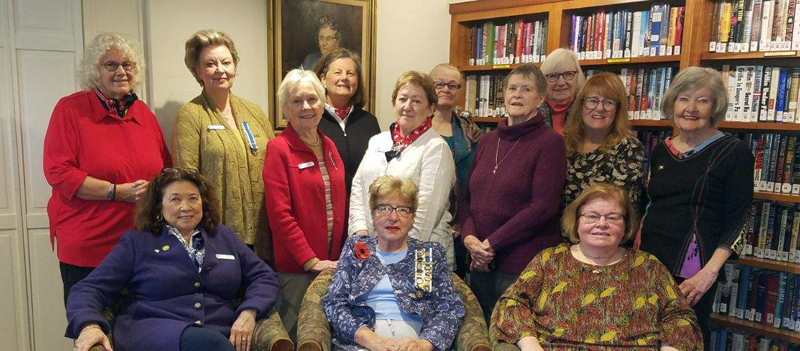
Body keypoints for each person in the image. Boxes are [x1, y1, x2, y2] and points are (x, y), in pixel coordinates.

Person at [65, 168, 280, 351]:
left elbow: (264, 277)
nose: (186, 207)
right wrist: (89, 325)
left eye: (193, 198)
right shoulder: (137, 242)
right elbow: (88, 288)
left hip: (218, 331)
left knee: (209, 341)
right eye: (175, 199)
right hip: (155, 331)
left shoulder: (223, 236)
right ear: (159, 206)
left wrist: (249, 311)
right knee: (208, 343)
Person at [491, 183, 703, 351]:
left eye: (612, 217)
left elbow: (680, 316)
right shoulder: (550, 260)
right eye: (592, 216)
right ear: (577, 222)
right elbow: (512, 302)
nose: (602, 224)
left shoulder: (648, 266)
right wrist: (531, 346)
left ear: (626, 226)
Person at [43, 33, 171, 305]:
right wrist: (117, 192)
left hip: (142, 246)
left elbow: (166, 168)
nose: (121, 71)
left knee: (142, 332)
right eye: (110, 65)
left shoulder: (144, 114)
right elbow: (59, 172)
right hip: (90, 249)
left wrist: (156, 189)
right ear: (94, 71)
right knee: (94, 333)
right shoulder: (71, 110)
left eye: (128, 65)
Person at [637, 67, 755, 347]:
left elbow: (739, 219)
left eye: (702, 100)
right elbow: (650, 206)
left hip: (693, 270)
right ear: (672, 102)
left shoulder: (734, 152)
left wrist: (708, 274)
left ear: (715, 107)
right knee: (643, 336)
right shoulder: (661, 149)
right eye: (683, 99)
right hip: (649, 263)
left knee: (682, 339)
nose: (691, 108)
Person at [459, 64, 565, 321]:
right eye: (512, 88)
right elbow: (466, 200)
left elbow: (543, 207)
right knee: (478, 336)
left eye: (526, 89)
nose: (517, 95)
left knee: (513, 335)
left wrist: (490, 244)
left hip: (519, 264)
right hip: (478, 261)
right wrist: (470, 239)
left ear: (540, 99)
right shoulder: (486, 140)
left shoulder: (550, 142)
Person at [324, 176, 465, 351]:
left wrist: (424, 344)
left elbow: (450, 308)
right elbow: (334, 302)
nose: (393, 217)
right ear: (373, 214)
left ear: (412, 218)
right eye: (384, 208)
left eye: (403, 209)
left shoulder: (425, 255)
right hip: (361, 346)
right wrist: (369, 338)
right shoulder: (357, 248)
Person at [172, 29, 275, 262]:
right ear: (197, 71)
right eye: (210, 64)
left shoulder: (255, 112)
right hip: (216, 233)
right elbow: (186, 180)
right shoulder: (190, 115)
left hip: (264, 231)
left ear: (235, 67)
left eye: (226, 62)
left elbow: (275, 164)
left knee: (264, 293)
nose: (220, 69)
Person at [263, 68, 346, 342]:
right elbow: (280, 215)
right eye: (297, 101)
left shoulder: (330, 145)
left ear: (323, 104)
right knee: (301, 337)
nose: (306, 107)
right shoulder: (279, 148)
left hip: (331, 263)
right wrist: (310, 260)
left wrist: (333, 261)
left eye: (312, 99)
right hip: (298, 269)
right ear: (286, 109)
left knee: (327, 336)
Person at [349, 71, 456, 269]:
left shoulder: (436, 148)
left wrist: (395, 255)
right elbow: (358, 188)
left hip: (422, 257)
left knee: (417, 300)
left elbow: (426, 214)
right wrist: (360, 233)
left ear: (431, 108)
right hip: (372, 251)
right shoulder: (377, 141)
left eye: (416, 101)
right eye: (403, 99)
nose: (407, 106)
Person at [429, 63, 484, 277]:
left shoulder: (472, 131)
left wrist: (462, 220)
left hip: (462, 223)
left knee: (456, 284)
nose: (446, 90)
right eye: (439, 84)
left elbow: (477, 179)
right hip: (425, 223)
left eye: (453, 85)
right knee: (423, 282)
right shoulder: (415, 128)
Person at [561, 72, 645, 209]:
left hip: (601, 227)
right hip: (557, 228)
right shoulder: (564, 143)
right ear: (581, 105)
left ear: (618, 110)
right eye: (592, 101)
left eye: (608, 102)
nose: (600, 108)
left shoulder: (629, 148)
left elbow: (623, 207)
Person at [312, 48, 381, 194]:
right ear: (323, 79)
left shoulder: (369, 122)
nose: (344, 78)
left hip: (363, 211)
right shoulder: (312, 121)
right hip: (324, 209)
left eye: (350, 74)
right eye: (338, 72)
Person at [539, 48, 585, 134]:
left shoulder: (588, 111)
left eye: (568, 74)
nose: (561, 83)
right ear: (543, 80)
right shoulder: (531, 112)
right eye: (553, 76)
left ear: (578, 77)